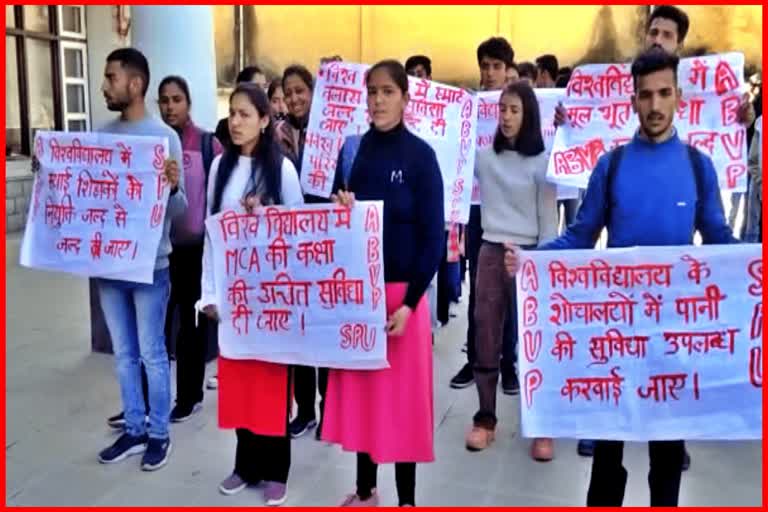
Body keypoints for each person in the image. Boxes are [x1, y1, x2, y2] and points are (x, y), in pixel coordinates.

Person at [504, 49, 738, 507]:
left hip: (673, 337)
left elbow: (718, 238)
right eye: (646, 95)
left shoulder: (697, 166)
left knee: (667, 460)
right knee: (607, 459)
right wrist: (531, 259)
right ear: (633, 100)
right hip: (615, 339)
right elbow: (580, 236)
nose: (655, 105)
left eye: (664, 94)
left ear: (679, 97)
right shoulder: (611, 167)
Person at [322, 59, 444, 507]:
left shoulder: (421, 156)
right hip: (361, 297)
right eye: (372, 91)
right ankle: (365, 490)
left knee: (403, 408)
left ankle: (407, 500)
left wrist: (410, 304)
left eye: (388, 91)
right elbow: (336, 223)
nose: (378, 99)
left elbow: (434, 239)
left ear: (405, 98)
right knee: (365, 400)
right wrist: (342, 206)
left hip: (402, 301)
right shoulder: (353, 151)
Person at [198, 82, 303, 505]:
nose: (236, 122)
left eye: (245, 115)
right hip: (232, 295)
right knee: (240, 383)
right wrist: (208, 294)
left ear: (265, 120)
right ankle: (247, 465)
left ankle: (277, 469)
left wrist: (267, 215)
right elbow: (211, 234)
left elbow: (299, 235)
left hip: (272, 298)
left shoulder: (282, 171)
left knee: (272, 385)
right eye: (233, 114)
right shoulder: (218, 168)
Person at [95, 48, 186, 471]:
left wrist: (169, 188)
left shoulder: (164, 138)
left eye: (111, 78)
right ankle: (133, 428)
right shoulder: (101, 135)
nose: (104, 86)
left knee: (151, 353)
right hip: (110, 267)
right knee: (124, 354)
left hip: (151, 268)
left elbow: (179, 209)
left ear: (135, 84)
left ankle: (159, 434)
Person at [465, 82, 557, 456]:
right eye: (502, 109)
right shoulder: (484, 157)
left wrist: (538, 263)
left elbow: (549, 220)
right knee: (485, 336)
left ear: (529, 115)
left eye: (514, 110)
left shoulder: (543, 159)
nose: (505, 116)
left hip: (531, 255)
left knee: (534, 341)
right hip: (490, 250)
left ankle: (542, 425)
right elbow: (449, 152)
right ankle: (486, 418)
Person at [450, 37, 517, 393]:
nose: (489, 73)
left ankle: (509, 364)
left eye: (496, 67)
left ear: (508, 70)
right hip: (475, 209)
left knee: (508, 289)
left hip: (511, 211)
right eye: (485, 66)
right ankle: (477, 360)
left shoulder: (522, 107)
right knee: (478, 287)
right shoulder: (469, 106)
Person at [158, 75, 224, 422]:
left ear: (188, 103)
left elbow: (223, 188)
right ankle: (148, 403)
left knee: (190, 326)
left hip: (196, 251)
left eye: (176, 99)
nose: (170, 107)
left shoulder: (207, 144)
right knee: (155, 328)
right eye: (164, 100)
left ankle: (189, 396)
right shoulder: (153, 143)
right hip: (157, 252)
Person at [274, 64, 330, 440]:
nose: (294, 99)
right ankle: (304, 408)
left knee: (324, 332)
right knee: (298, 332)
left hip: (325, 244)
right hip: (291, 246)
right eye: (288, 92)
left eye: (300, 91)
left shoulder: (332, 132)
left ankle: (330, 408)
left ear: (313, 92)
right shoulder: (275, 135)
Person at [214, 65, 268, 147]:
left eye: (264, 87)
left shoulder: (271, 128)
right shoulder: (224, 128)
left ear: (264, 121)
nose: (234, 122)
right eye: (256, 86)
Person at [744, 115, 762, 242]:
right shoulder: (761, 122)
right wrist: (761, 181)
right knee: (752, 227)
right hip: (759, 180)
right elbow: (753, 160)